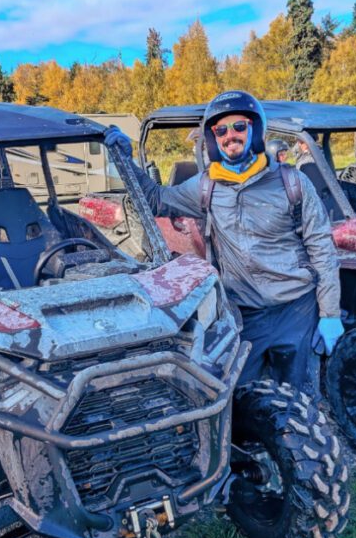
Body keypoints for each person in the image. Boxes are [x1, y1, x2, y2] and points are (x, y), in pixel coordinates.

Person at [104, 90, 342, 390]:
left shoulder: (293, 182)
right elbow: (154, 200)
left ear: (255, 130)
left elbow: (323, 249)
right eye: (221, 130)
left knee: (299, 398)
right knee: (239, 401)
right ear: (213, 138)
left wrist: (330, 313)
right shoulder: (206, 186)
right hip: (244, 315)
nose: (231, 135)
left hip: (296, 310)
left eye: (239, 127)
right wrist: (125, 161)